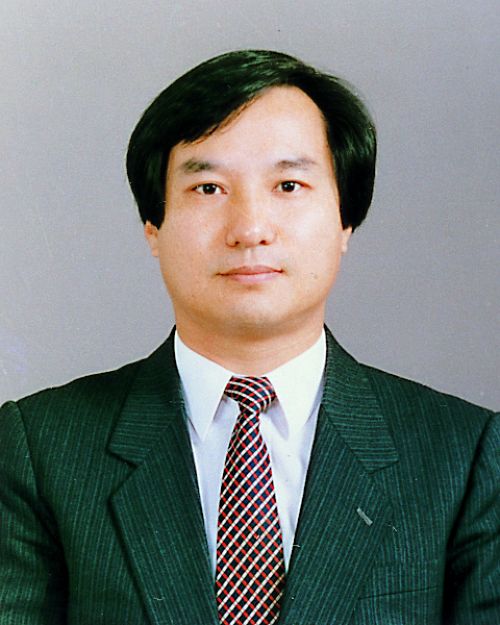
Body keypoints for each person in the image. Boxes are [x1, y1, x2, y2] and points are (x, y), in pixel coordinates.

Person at [0, 50, 498, 625]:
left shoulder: (463, 455)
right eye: (209, 188)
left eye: (288, 184)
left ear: (345, 221)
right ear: (153, 227)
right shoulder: (40, 450)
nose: (250, 229)